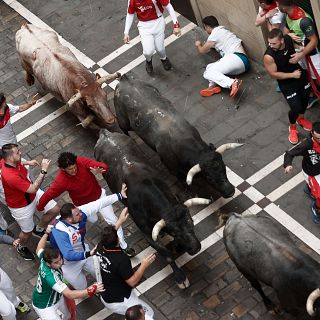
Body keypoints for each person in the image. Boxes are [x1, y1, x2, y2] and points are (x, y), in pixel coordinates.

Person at [37, 152, 135, 257]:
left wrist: (99, 168)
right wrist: (40, 206)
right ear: (63, 169)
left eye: (74, 167)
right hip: (85, 206)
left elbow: (103, 166)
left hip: (99, 196)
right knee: (94, 219)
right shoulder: (61, 181)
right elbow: (49, 194)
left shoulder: (80, 161)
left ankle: (123, 246)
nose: (74, 170)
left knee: (113, 220)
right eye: (70, 169)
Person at [50, 193, 129, 290]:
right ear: (69, 219)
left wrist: (119, 195)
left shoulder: (80, 213)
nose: (81, 214)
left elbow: (99, 203)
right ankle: (63, 276)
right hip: (68, 265)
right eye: (77, 214)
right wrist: (88, 253)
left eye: (79, 211)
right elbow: (68, 255)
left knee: (101, 275)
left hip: (85, 252)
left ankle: (109, 289)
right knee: (82, 287)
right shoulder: (60, 232)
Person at [1, 143, 60, 261]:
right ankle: (21, 246)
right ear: (10, 157)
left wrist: (27, 163)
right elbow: (33, 188)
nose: (20, 153)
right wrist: (43, 170)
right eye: (18, 152)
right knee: (26, 233)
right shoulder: (10, 176)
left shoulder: (6, 160)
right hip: (21, 207)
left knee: (54, 209)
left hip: (32, 196)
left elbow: (19, 162)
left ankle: (39, 229)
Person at [32, 225, 104, 320]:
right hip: (45, 306)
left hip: (56, 297)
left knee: (68, 316)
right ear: (48, 264)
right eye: (56, 262)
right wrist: (91, 290)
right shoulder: (50, 277)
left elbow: (39, 248)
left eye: (60, 259)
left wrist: (46, 233)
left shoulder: (44, 257)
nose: (60, 263)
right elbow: (69, 294)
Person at [264, 28, 312, 144]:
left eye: (273, 43)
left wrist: (300, 52)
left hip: (300, 75)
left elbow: (296, 46)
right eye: (269, 42)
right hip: (287, 83)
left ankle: (300, 119)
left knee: (305, 99)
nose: (270, 45)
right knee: (295, 107)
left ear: (282, 41)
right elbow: (273, 74)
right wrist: (292, 75)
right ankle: (292, 127)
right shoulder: (269, 56)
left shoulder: (288, 39)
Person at [97, 223, 156, 318]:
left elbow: (108, 236)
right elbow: (132, 282)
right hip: (122, 300)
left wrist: (120, 221)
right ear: (117, 240)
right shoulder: (121, 259)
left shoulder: (100, 247)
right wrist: (144, 265)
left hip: (106, 294)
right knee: (148, 313)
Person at [277, 0, 320, 109]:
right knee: (305, 75)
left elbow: (314, 41)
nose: (277, 6)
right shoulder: (289, 15)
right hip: (301, 54)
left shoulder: (304, 21)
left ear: (284, 7)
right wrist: (290, 35)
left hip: (312, 56)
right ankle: (312, 96)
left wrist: (301, 55)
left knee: (318, 78)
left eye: (278, 3)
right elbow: (285, 33)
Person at [195, 16, 250, 98]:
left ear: (207, 26)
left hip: (236, 57)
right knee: (209, 67)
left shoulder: (214, 34)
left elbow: (203, 50)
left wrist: (198, 45)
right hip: (242, 64)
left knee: (207, 73)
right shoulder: (223, 31)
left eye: (205, 27)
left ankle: (232, 83)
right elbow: (215, 45)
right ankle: (212, 86)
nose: (205, 30)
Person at [123, 0, 181, 74]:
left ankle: (164, 59)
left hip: (158, 23)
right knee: (148, 52)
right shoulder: (132, 0)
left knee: (160, 49)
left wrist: (176, 25)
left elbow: (168, 6)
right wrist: (126, 32)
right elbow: (130, 14)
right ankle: (148, 61)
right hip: (144, 26)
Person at [284, 122, 320, 224]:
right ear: (312, 133)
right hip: (312, 173)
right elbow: (289, 154)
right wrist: (288, 165)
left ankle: (309, 189)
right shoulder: (307, 144)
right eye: (318, 138)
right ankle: (316, 210)